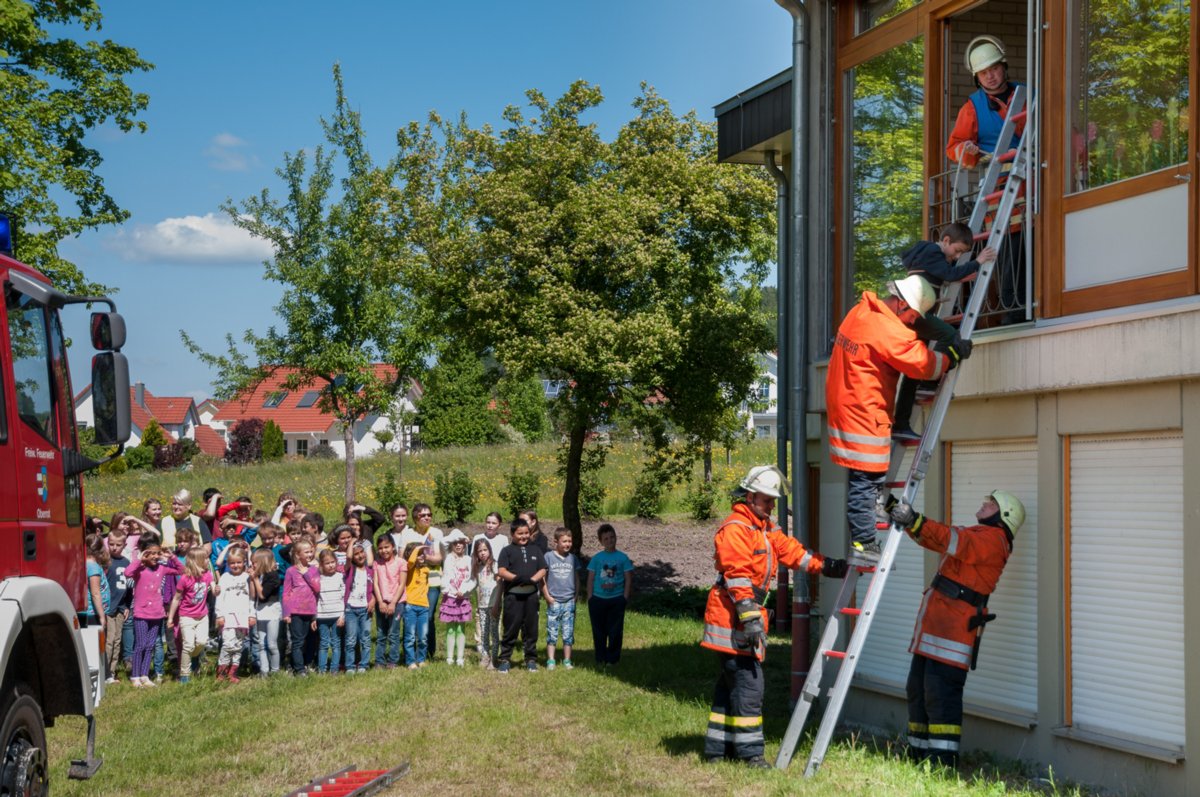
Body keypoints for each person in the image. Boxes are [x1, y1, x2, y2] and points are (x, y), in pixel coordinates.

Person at [701, 465, 848, 768]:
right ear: (750, 496)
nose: (771, 506)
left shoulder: (765, 527)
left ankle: (718, 750)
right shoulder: (737, 528)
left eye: (773, 501)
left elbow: (793, 553)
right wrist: (751, 618)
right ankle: (751, 754)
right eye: (767, 500)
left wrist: (829, 566)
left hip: (739, 616)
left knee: (731, 685)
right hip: (733, 617)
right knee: (750, 687)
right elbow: (738, 577)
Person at [826, 274, 968, 565]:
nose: (914, 322)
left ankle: (872, 515)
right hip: (863, 410)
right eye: (914, 316)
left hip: (845, 401)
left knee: (865, 477)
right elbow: (922, 365)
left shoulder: (861, 311)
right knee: (865, 478)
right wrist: (950, 357)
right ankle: (864, 545)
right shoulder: (889, 330)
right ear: (902, 304)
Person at [888, 490, 1025, 768]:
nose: (984, 503)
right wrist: (899, 513)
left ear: (1004, 514)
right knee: (917, 689)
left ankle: (941, 763)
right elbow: (935, 539)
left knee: (940, 695)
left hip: (952, 633)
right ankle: (917, 756)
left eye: (991, 503)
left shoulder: (994, 540)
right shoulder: (981, 535)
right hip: (937, 628)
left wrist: (914, 519)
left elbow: (952, 539)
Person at [946, 35, 1028, 325]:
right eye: (983, 72)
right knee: (1010, 256)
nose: (990, 76)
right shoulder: (973, 107)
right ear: (976, 77)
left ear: (1004, 67)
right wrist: (966, 151)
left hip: (1036, 184)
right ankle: (1014, 317)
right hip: (1002, 192)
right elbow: (954, 146)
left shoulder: (1027, 93)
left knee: (1037, 251)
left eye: (994, 68)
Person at [893, 222, 996, 441]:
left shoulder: (923, 255)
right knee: (949, 335)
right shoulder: (932, 250)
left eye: (962, 254)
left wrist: (951, 277)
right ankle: (929, 381)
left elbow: (939, 274)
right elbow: (949, 274)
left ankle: (901, 424)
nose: (957, 256)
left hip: (915, 313)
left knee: (912, 371)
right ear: (946, 241)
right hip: (916, 313)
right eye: (957, 250)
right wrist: (977, 262)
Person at [123, 532, 184, 688]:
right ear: (144, 553)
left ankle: (144, 675)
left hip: (157, 613)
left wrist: (172, 557)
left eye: (157, 553)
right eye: (151, 553)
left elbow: (181, 570)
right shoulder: (139, 569)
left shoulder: (162, 569)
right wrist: (139, 559)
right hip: (141, 614)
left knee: (150, 645)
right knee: (140, 645)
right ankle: (135, 676)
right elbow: (127, 573)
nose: (155, 556)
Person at [495, 517, 547, 673]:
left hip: (531, 596)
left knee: (531, 629)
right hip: (513, 597)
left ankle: (530, 659)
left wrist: (531, 580)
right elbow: (501, 571)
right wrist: (517, 578)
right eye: (520, 534)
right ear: (512, 534)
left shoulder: (535, 550)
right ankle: (505, 659)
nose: (524, 536)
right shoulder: (507, 551)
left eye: (526, 533)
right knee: (511, 628)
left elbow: (543, 569)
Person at [399, 504, 444, 659]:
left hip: (432, 581)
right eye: (422, 515)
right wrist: (413, 560)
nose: (427, 518)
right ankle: (409, 653)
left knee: (428, 616)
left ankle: (428, 652)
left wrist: (426, 558)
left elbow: (440, 557)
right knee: (409, 616)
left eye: (429, 514)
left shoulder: (436, 533)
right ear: (415, 518)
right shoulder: (407, 534)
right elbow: (401, 557)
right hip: (411, 582)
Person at [586, 524, 631, 668]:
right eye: (606, 538)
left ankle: (613, 658)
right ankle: (600, 658)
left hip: (617, 599)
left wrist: (624, 596)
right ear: (601, 541)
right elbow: (591, 578)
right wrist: (590, 597)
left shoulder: (623, 558)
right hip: (598, 599)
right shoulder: (597, 558)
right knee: (599, 631)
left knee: (615, 631)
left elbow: (628, 578)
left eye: (612, 537)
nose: (610, 540)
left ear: (616, 537)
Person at [166, 548, 215, 683]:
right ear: (197, 561)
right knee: (188, 645)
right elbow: (176, 598)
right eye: (205, 558)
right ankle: (185, 675)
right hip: (186, 616)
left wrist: (217, 589)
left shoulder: (207, 575)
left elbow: (214, 589)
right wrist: (170, 618)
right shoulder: (185, 578)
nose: (208, 561)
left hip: (202, 616)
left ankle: (193, 658)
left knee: (202, 642)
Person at [542, 528, 583, 670]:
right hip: (554, 600)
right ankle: (551, 660)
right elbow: (543, 579)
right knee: (552, 631)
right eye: (564, 541)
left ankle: (567, 660)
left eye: (569, 541)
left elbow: (577, 579)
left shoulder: (573, 558)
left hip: (569, 601)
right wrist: (547, 596)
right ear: (556, 542)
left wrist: (576, 595)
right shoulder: (548, 557)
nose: (567, 544)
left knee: (568, 631)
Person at [282, 540, 320, 676]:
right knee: (297, 641)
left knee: (311, 640)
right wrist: (286, 613)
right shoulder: (290, 571)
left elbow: (317, 588)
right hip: (296, 611)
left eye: (311, 551)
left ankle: (308, 663)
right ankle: (299, 669)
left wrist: (306, 573)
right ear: (298, 555)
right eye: (307, 552)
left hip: (311, 611)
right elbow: (286, 593)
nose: (310, 554)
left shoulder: (314, 570)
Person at [439, 530, 475, 667]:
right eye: (456, 543)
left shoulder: (469, 559)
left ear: (465, 545)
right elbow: (443, 542)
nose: (458, 545)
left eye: (461, 543)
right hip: (450, 597)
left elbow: (472, 579)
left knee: (461, 629)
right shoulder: (447, 557)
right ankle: (449, 658)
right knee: (450, 629)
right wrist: (461, 536)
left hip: (463, 598)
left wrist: (465, 590)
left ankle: (460, 658)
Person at [104, 523, 133, 683]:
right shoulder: (105, 561)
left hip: (121, 608)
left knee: (116, 641)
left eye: (118, 545)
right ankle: (105, 672)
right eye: (111, 544)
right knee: (109, 641)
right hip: (108, 607)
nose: (114, 548)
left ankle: (112, 672)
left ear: (124, 545)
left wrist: (127, 605)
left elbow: (129, 587)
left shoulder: (126, 562)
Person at [372, 534, 407, 669]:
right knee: (381, 633)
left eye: (386, 547)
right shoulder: (377, 563)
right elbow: (375, 583)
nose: (383, 551)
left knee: (393, 633)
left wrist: (393, 603)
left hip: (396, 602)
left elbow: (401, 584)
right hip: (381, 602)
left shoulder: (401, 562)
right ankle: (379, 661)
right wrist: (380, 602)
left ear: (393, 547)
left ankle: (393, 661)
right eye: (380, 548)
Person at [342, 542, 374, 674]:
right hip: (351, 608)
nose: (360, 555)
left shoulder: (371, 571)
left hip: (365, 608)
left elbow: (375, 589)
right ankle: (350, 665)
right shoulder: (349, 569)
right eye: (356, 554)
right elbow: (348, 558)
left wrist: (374, 601)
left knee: (365, 638)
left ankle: (364, 664)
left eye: (362, 552)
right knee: (350, 639)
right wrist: (351, 542)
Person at [250, 548, 283, 677]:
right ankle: (264, 670)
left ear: (263, 562)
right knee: (261, 644)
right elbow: (253, 595)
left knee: (271, 644)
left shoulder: (273, 576)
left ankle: (275, 671)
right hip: (260, 612)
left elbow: (263, 595)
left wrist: (256, 580)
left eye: (255, 562)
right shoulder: (259, 575)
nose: (252, 565)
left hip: (272, 612)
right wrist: (253, 579)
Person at [471, 538, 501, 670]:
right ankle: (485, 656)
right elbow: (475, 584)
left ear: (489, 550)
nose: (482, 553)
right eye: (479, 551)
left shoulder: (494, 565)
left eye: (485, 550)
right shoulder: (477, 568)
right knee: (484, 632)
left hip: (494, 604)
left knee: (494, 632)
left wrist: (497, 603)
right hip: (482, 605)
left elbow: (500, 583)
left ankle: (494, 659)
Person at [313, 550, 345, 675]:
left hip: (337, 616)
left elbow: (344, 598)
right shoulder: (318, 579)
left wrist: (342, 616)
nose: (331, 565)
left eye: (333, 562)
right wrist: (314, 618)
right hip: (322, 617)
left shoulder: (340, 577)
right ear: (321, 564)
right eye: (327, 563)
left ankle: (334, 669)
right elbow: (315, 600)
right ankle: (322, 669)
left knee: (336, 643)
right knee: (324, 643)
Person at [402, 542, 433, 669]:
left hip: (424, 607)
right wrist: (418, 549)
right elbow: (410, 562)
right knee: (409, 637)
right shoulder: (408, 568)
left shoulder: (426, 570)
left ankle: (421, 659)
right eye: (418, 554)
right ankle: (410, 661)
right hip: (410, 606)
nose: (421, 556)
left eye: (423, 554)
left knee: (423, 637)